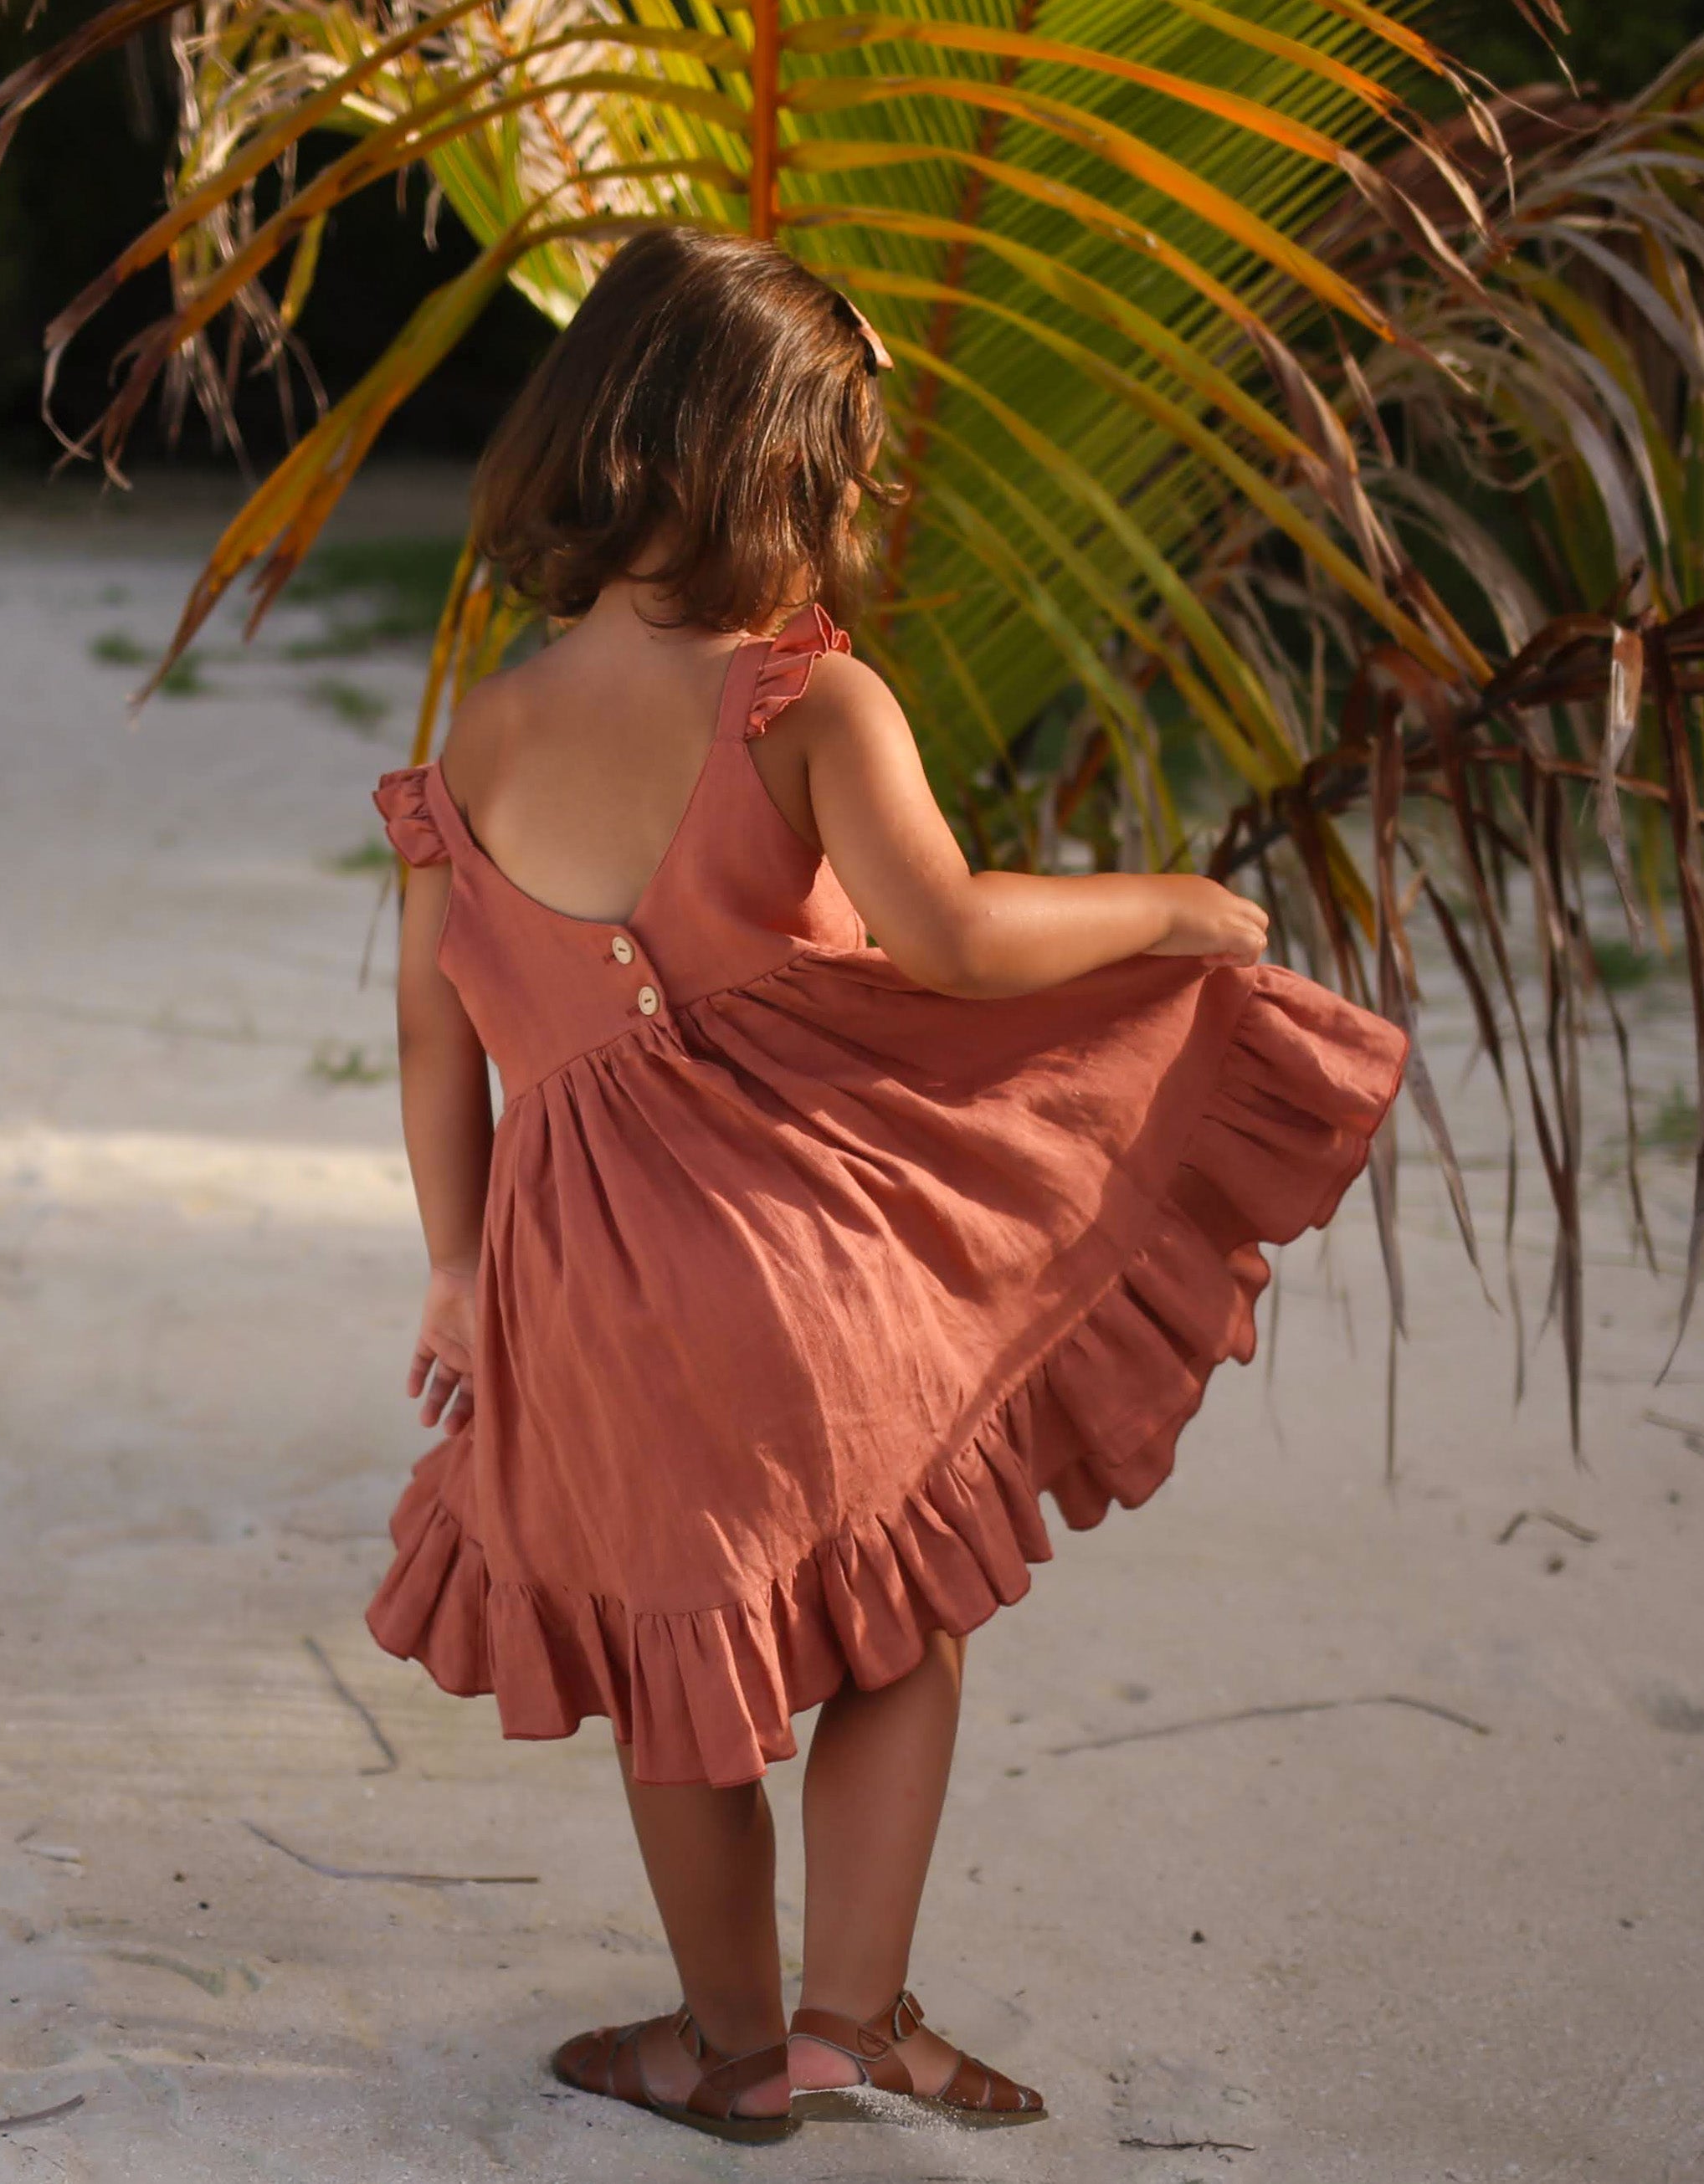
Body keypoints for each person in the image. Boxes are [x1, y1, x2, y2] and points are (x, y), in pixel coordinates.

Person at [367, 226, 1406, 2142]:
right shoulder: (802, 702)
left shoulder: (481, 743)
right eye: (839, 472)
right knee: (899, 1636)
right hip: (802, 1264)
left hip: (576, 1287)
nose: (849, 512)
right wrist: (1173, 906)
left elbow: (443, 1041)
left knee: (670, 1665)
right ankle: (858, 2014)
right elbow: (948, 940)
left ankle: (725, 2045)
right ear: (769, 471)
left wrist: (451, 1267)